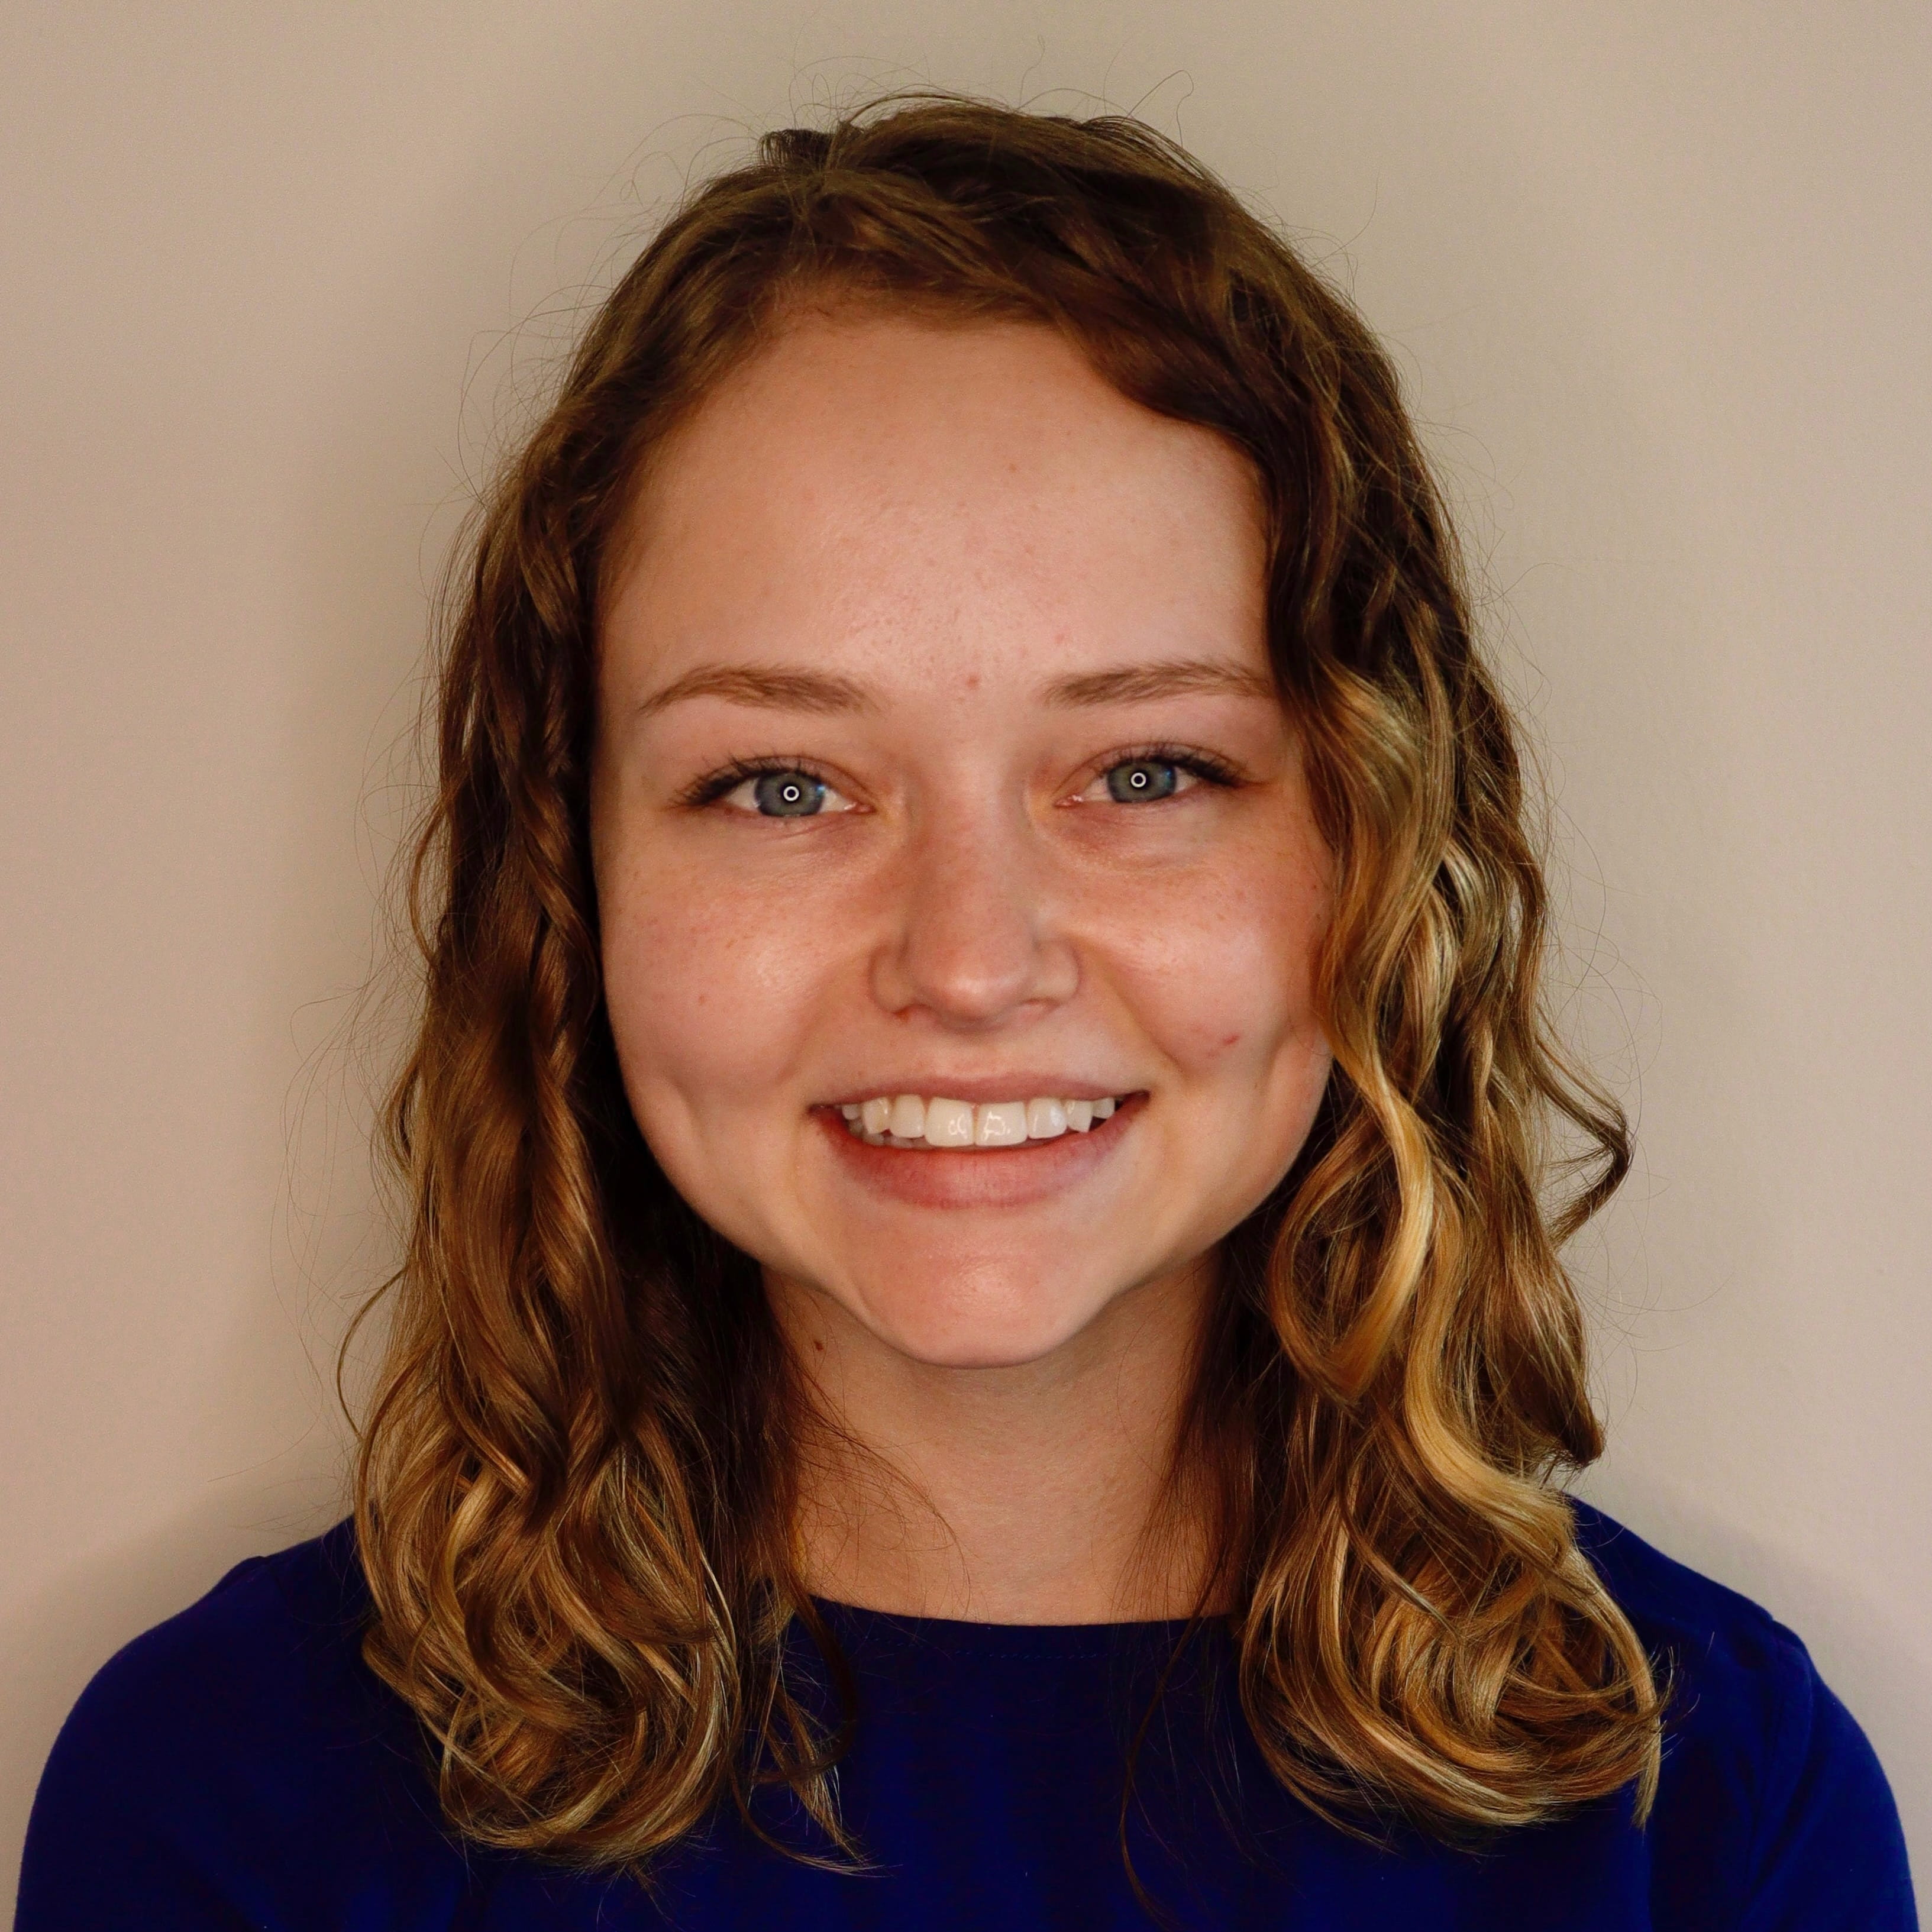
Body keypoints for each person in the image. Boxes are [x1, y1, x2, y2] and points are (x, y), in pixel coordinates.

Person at [16, 95, 1915, 1931]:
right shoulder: (231, 1798)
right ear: (568, 879)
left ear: (1372, 849)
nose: (970, 958)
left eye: (1150, 768)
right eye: (779, 783)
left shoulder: (1707, 1811)